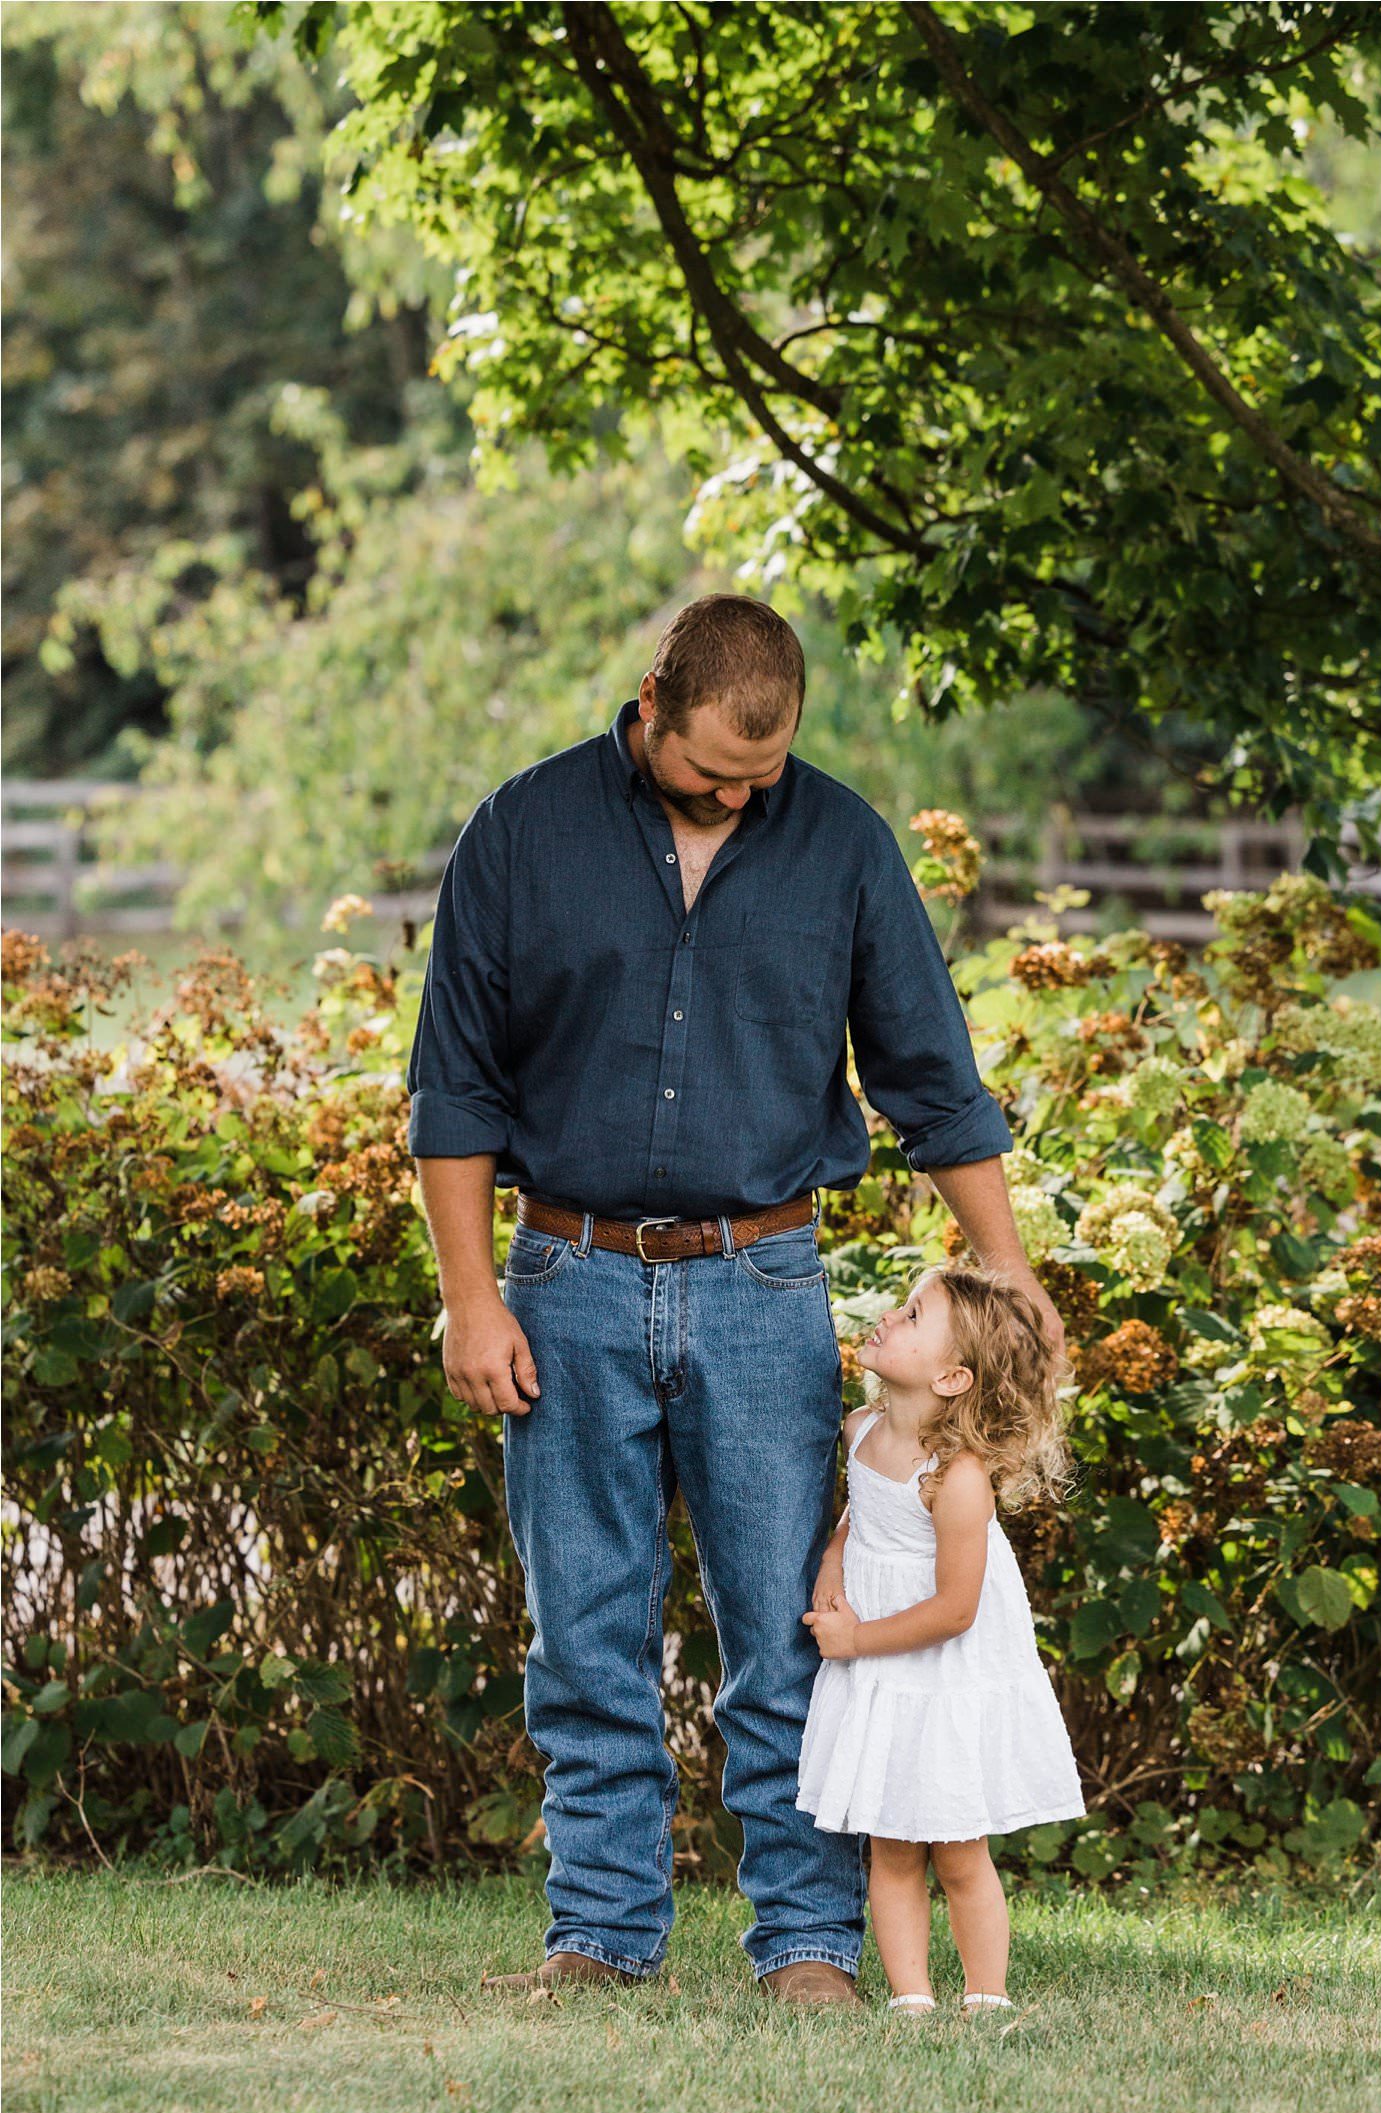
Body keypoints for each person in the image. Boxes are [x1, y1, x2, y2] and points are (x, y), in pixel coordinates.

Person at [405, 592, 1065, 2007]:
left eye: (762, 774)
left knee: (790, 1629)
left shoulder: (840, 846)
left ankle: (813, 1944)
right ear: (652, 700)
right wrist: (473, 1299)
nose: (737, 793)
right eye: (714, 768)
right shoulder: (521, 834)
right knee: (585, 1628)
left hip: (765, 1284)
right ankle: (600, 1931)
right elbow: (452, 1086)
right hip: (565, 1277)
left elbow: (931, 1076)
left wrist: (1004, 1266)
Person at [798, 1261, 1085, 2015]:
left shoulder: (956, 1476)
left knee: (957, 1849)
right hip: (885, 1668)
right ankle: (912, 1998)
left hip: (940, 1665)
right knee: (891, 1843)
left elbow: (956, 1607)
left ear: (954, 1378)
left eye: (914, 1316)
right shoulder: (859, 1432)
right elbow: (859, 1516)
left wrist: (856, 1641)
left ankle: (986, 1995)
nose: (890, 1316)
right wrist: (833, 1557)